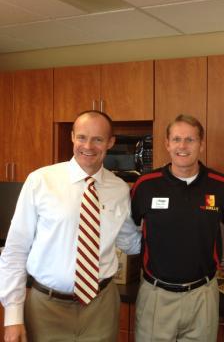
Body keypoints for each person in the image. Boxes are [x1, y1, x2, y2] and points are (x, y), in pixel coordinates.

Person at [0, 110, 141, 342]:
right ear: (72, 137)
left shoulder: (119, 189)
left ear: (110, 142)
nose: (88, 145)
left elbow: (129, 241)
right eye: (82, 137)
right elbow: (15, 250)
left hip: (101, 307)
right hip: (46, 309)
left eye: (98, 139)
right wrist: (13, 317)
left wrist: (170, 233)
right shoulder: (40, 181)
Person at [131, 114, 224, 341]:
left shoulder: (220, 186)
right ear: (167, 144)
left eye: (190, 140)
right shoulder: (145, 185)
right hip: (156, 296)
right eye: (177, 139)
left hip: (203, 295)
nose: (182, 146)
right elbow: (128, 229)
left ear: (201, 145)